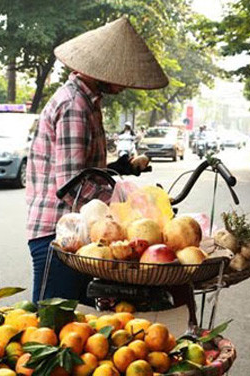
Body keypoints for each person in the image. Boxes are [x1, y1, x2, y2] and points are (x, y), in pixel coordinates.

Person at [26, 16, 168, 303]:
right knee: (54, 331)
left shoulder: (87, 103)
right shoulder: (74, 106)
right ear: (99, 70)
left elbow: (85, 171)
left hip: (79, 235)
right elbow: (72, 185)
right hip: (60, 235)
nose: (125, 82)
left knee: (84, 329)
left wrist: (119, 169)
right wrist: (132, 207)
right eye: (119, 73)